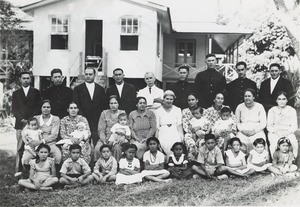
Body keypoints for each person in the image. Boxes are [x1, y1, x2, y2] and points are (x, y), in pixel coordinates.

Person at [21, 100, 62, 175]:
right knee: (26, 157)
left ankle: (54, 174)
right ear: (41, 108)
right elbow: (24, 131)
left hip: (50, 143)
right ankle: (28, 174)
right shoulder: (36, 118)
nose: (46, 109)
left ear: (51, 108)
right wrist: (29, 141)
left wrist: (41, 141)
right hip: (34, 144)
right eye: (44, 107)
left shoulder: (55, 119)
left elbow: (54, 135)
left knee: (57, 155)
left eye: (48, 107)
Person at [12, 71, 41, 176]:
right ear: (20, 79)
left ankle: (35, 168)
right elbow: (14, 109)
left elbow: (38, 107)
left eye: (28, 78)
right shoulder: (16, 93)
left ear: (31, 79)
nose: (26, 80)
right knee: (20, 147)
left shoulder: (36, 92)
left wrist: (29, 121)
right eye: (23, 78)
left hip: (32, 125)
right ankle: (19, 169)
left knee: (34, 146)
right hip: (20, 124)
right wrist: (22, 120)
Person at [73, 68, 106, 156]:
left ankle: (95, 161)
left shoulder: (100, 89)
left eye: (90, 74)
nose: (88, 76)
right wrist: (82, 117)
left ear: (94, 75)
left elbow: (103, 105)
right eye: (86, 74)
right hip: (83, 119)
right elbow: (77, 104)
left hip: (96, 119)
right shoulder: (77, 89)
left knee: (95, 140)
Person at [267, 91, 298, 159]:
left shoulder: (291, 110)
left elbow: (294, 126)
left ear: (287, 100)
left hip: (288, 131)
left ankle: (292, 160)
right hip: (275, 131)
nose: (281, 101)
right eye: (279, 99)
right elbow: (269, 126)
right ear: (276, 100)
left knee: (294, 142)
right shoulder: (272, 110)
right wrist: (277, 132)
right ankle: (275, 160)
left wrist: (286, 133)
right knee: (274, 143)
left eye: (284, 99)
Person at [235, 88, 266, 154]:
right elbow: (237, 122)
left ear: (254, 97)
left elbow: (263, 123)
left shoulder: (260, 106)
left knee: (259, 141)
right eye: (245, 96)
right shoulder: (239, 107)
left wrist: (254, 131)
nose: (247, 98)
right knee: (239, 141)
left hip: (257, 130)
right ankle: (242, 160)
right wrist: (243, 131)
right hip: (243, 130)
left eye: (249, 96)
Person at [96, 95, 125, 160]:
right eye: (111, 103)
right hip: (106, 137)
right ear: (109, 104)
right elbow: (101, 129)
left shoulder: (122, 113)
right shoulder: (104, 113)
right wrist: (103, 140)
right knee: (98, 148)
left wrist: (123, 137)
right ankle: (99, 166)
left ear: (118, 104)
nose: (113, 105)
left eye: (115, 103)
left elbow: (126, 128)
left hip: (118, 138)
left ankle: (116, 166)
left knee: (117, 148)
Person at [156, 90, 184, 156]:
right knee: (163, 143)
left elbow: (179, 125)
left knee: (176, 141)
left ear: (173, 100)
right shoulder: (158, 111)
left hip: (174, 130)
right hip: (163, 130)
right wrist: (156, 138)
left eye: (171, 99)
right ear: (163, 99)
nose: (169, 101)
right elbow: (157, 127)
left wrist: (182, 136)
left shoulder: (177, 110)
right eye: (167, 99)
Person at [182, 93, 199, 160]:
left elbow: (205, 123)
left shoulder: (202, 110)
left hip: (200, 133)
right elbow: (185, 124)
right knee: (190, 143)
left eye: (193, 99)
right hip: (189, 133)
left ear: (197, 100)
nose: (191, 102)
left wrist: (198, 130)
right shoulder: (185, 111)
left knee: (202, 143)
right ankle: (192, 161)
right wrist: (193, 132)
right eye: (189, 100)